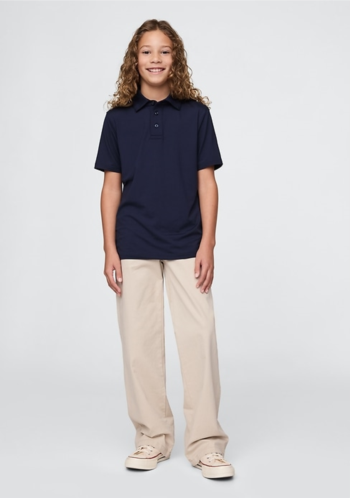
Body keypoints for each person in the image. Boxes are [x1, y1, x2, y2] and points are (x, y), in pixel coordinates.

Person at [94, 19, 234, 480]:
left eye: (164, 51)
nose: (155, 59)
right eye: (147, 51)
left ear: (176, 59)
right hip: (133, 242)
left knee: (199, 339)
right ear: (134, 60)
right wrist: (109, 248)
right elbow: (110, 188)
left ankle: (206, 444)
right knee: (139, 344)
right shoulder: (117, 119)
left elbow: (207, 183)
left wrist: (208, 242)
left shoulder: (195, 115)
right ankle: (151, 439)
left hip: (186, 242)